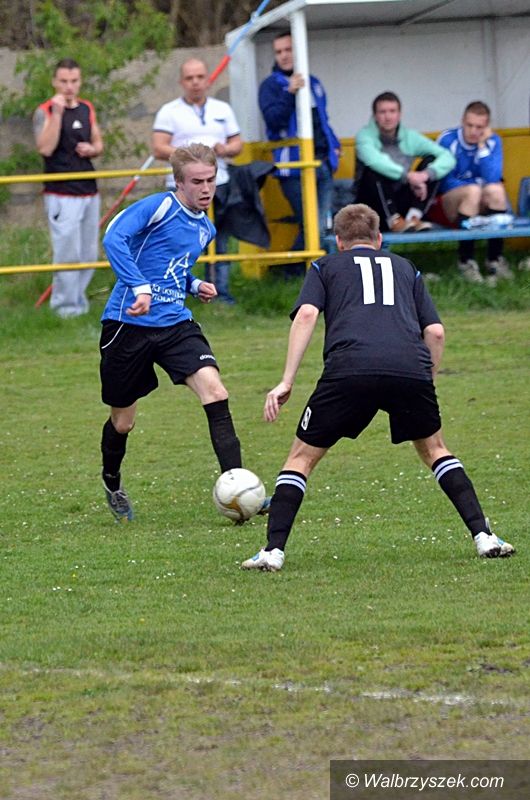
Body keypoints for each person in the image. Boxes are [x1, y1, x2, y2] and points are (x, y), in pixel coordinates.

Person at [242, 203, 515, 571]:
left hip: (349, 368)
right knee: (435, 450)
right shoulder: (405, 267)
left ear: (339, 241)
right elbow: (435, 332)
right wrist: (426, 380)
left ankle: (272, 552)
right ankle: (485, 536)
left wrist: (286, 381)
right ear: (380, 238)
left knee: (301, 457)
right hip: (409, 369)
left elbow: (306, 314)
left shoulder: (325, 266)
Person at [99, 144, 261, 522]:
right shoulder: (159, 207)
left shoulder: (206, 228)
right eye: (197, 181)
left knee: (216, 392)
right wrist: (139, 286)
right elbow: (113, 238)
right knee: (123, 422)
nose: (206, 189)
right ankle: (112, 482)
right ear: (178, 182)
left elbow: (173, 266)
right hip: (128, 325)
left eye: (211, 180)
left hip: (175, 324)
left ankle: (238, 487)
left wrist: (193, 284)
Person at [151, 58, 243, 304]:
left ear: (208, 80)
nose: (195, 83)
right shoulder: (169, 111)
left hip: (219, 182)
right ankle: (170, 291)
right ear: (181, 82)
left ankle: (219, 292)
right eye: (189, 78)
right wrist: (191, 160)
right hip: (181, 187)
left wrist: (225, 149)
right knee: (177, 240)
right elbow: (158, 147)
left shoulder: (222, 109)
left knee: (218, 238)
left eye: (200, 77)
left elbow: (238, 144)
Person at [258, 30, 341, 273]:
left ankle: (297, 273)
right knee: (313, 224)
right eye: (278, 52)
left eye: (288, 49)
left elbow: (322, 120)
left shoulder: (314, 83)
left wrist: (334, 144)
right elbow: (273, 122)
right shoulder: (271, 85)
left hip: (322, 163)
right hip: (293, 168)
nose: (284, 56)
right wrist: (290, 94)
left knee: (320, 225)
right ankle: (291, 272)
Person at [34, 58, 104, 318]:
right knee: (67, 252)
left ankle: (78, 303)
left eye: (74, 81)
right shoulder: (44, 111)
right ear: (55, 82)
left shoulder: (87, 108)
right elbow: (45, 148)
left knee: (88, 252)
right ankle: (64, 308)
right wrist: (58, 114)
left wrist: (92, 149)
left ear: (80, 82)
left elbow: (99, 143)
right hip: (61, 192)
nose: (69, 86)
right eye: (63, 81)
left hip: (89, 189)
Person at [354, 91, 455, 233]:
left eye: (392, 111)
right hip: (371, 205)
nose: (388, 117)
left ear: (399, 114)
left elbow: (447, 157)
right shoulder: (364, 136)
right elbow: (375, 161)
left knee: (431, 162)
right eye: (382, 112)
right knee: (373, 169)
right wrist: (407, 176)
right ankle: (393, 221)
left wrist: (424, 176)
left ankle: (414, 218)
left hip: (399, 199)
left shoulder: (410, 136)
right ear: (375, 115)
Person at [437, 101, 514, 285]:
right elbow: (443, 180)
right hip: (450, 204)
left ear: (486, 127)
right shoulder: (448, 139)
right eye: (469, 125)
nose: (473, 131)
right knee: (473, 192)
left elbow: (493, 177)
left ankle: (494, 259)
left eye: (479, 127)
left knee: (496, 191)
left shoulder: (493, 141)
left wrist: (482, 146)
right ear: (462, 121)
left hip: (479, 203)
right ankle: (466, 261)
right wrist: (474, 188)